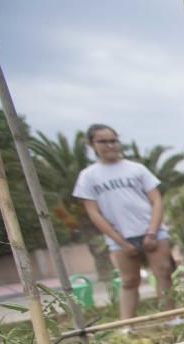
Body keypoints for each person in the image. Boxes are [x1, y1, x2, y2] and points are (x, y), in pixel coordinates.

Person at [73, 123, 174, 322]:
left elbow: (156, 200)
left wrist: (151, 232)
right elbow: (93, 212)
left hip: (151, 231)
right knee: (129, 280)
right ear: (92, 144)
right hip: (119, 236)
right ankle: (127, 326)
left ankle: (171, 319)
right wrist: (120, 241)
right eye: (103, 141)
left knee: (163, 273)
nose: (109, 145)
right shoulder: (88, 176)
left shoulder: (137, 169)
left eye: (113, 140)